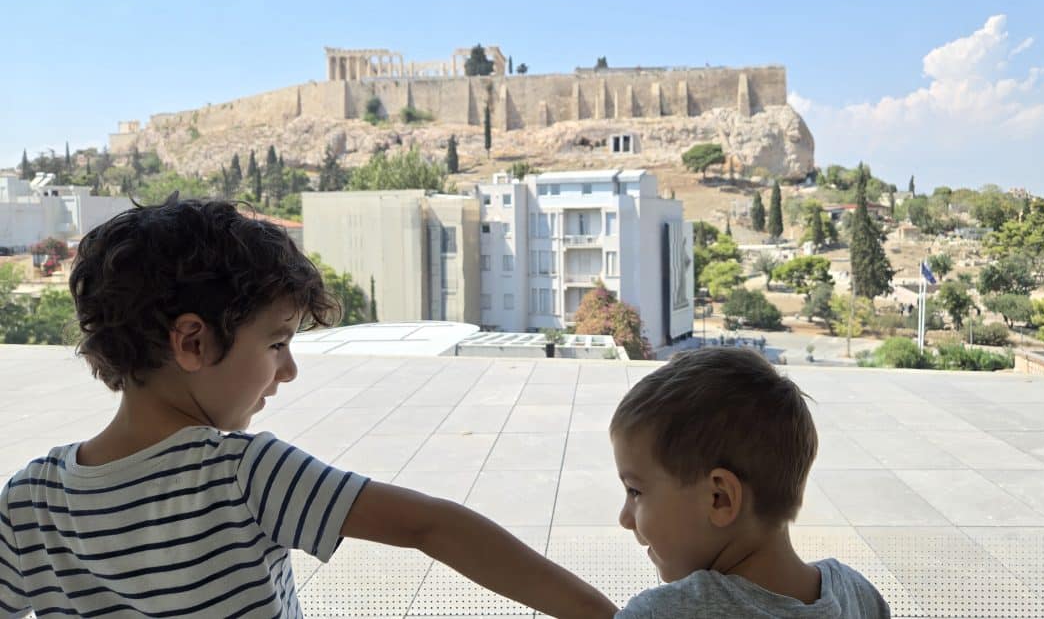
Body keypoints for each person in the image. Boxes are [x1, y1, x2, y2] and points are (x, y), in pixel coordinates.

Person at [0, 197, 615, 618]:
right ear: (192, 341)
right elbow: (434, 526)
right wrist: (605, 614)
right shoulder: (239, 472)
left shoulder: (31, 497)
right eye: (276, 343)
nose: (288, 371)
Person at [609, 348, 890, 618]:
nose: (625, 518)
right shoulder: (859, 595)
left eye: (635, 491)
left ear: (720, 498)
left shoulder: (669, 611)